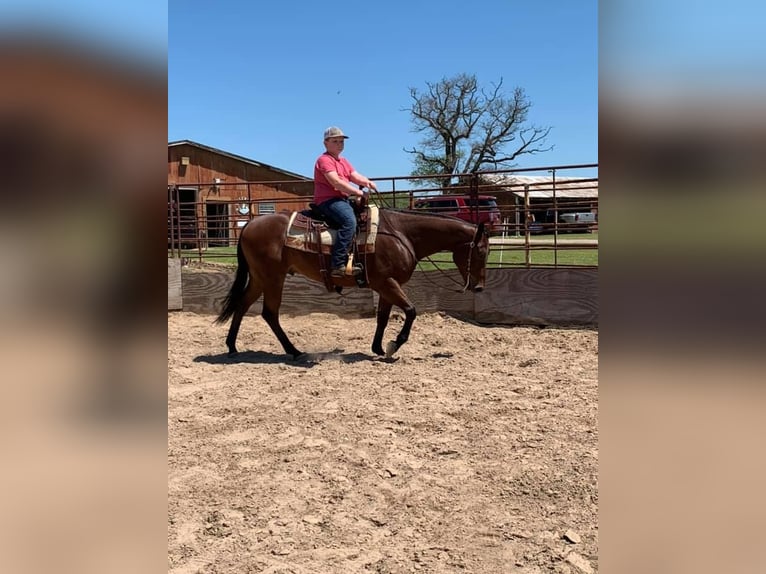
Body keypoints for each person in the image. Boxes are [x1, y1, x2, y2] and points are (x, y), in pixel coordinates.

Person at [313, 126, 378, 277]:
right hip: (328, 200)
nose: (339, 144)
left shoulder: (343, 161)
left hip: (341, 199)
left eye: (341, 141)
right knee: (349, 222)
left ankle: (356, 257)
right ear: (326, 143)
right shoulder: (324, 160)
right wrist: (358, 192)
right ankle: (337, 264)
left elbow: (354, 176)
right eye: (335, 141)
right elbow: (336, 182)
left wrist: (368, 182)